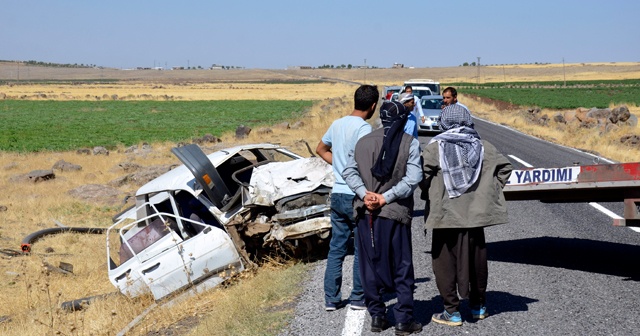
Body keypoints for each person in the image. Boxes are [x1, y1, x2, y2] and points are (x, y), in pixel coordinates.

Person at [420, 104, 512, 326]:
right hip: (475, 216)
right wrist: (487, 191)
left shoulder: (435, 148)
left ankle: (452, 312)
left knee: (444, 263)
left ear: (444, 122)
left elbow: (421, 176)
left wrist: (432, 191)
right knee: (477, 261)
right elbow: (505, 169)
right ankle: (478, 306)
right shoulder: (483, 146)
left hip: (445, 215)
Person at [342, 101, 423, 335]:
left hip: (365, 212)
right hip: (395, 213)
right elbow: (413, 178)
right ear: (401, 119)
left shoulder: (362, 142)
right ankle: (403, 320)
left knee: (369, 266)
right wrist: (385, 198)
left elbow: (348, 170)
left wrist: (364, 194)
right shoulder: (410, 143)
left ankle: (377, 316)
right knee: (401, 265)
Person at [316, 84, 379, 311]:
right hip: (356, 195)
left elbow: (321, 149)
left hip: (338, 193)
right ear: (373, 106)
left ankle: (331, 298)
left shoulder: (337, 124)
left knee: (336, 248)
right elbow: (366, 162)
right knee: (362, 247)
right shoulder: (364, 129)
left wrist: (340, 166)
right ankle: (358, 297)